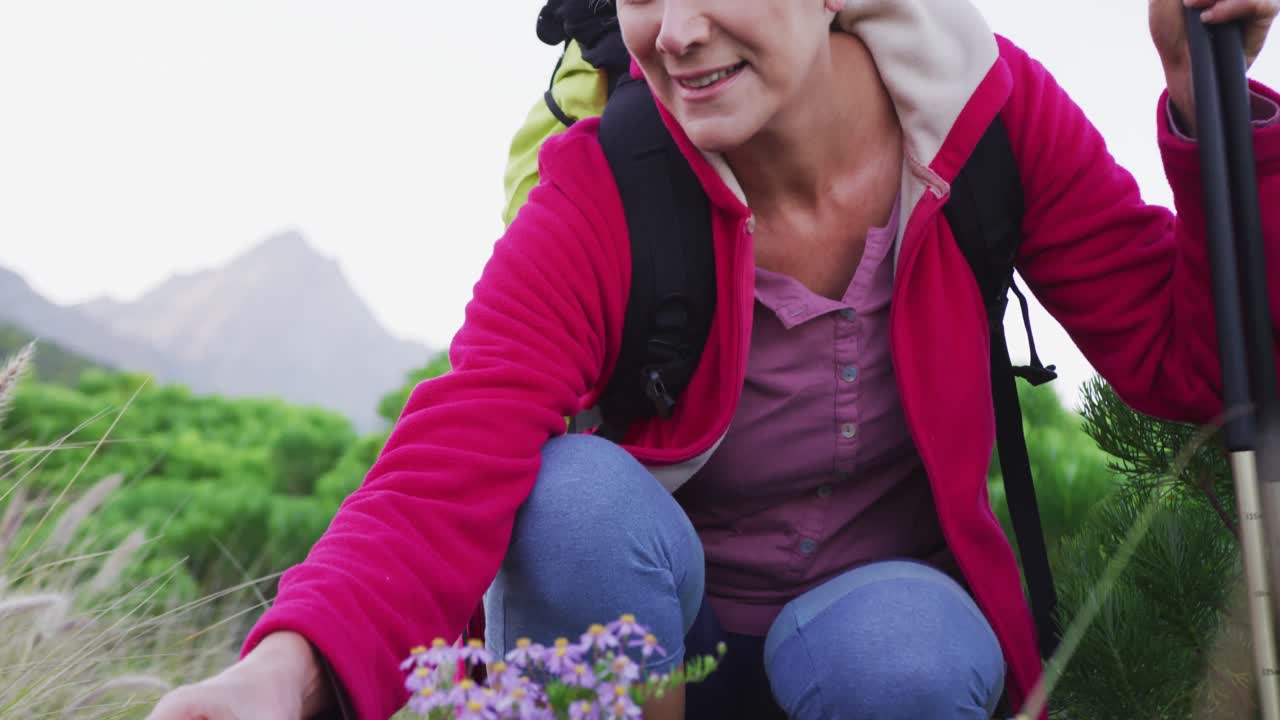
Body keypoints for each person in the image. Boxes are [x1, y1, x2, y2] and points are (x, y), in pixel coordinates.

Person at [149, 0, 1280, 718]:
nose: (676, 31)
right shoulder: (606, 182)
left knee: (908, 656)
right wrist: (285, 671)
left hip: (870, 628)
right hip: (639, 626)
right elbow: (455, 449)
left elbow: (1189, 364)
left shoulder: (980, 117)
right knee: (568, 507)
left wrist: (1203, 102)